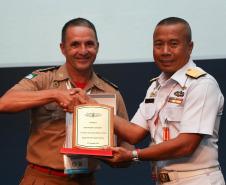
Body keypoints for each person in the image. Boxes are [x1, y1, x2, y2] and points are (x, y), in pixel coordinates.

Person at [0, 18, 132, 185]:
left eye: (89, 44)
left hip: (86, 180)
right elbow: (4, 103)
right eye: (75, 44)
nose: (83, 51)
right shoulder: (43, 80)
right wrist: (54, 95)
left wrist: (119, 157)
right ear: (63, 48)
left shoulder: (110, 92)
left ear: (97, 46)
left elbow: (127, 144)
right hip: (42, 179)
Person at [101, 17, 225, 185]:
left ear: (190, 47)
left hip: (197, 180)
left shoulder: (202, 84)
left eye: (173, 44)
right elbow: (133, 133)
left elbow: (186, 145)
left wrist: (133, 155)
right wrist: (87, 105)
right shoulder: (155, 87)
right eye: (158, 44)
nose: (165, 51)